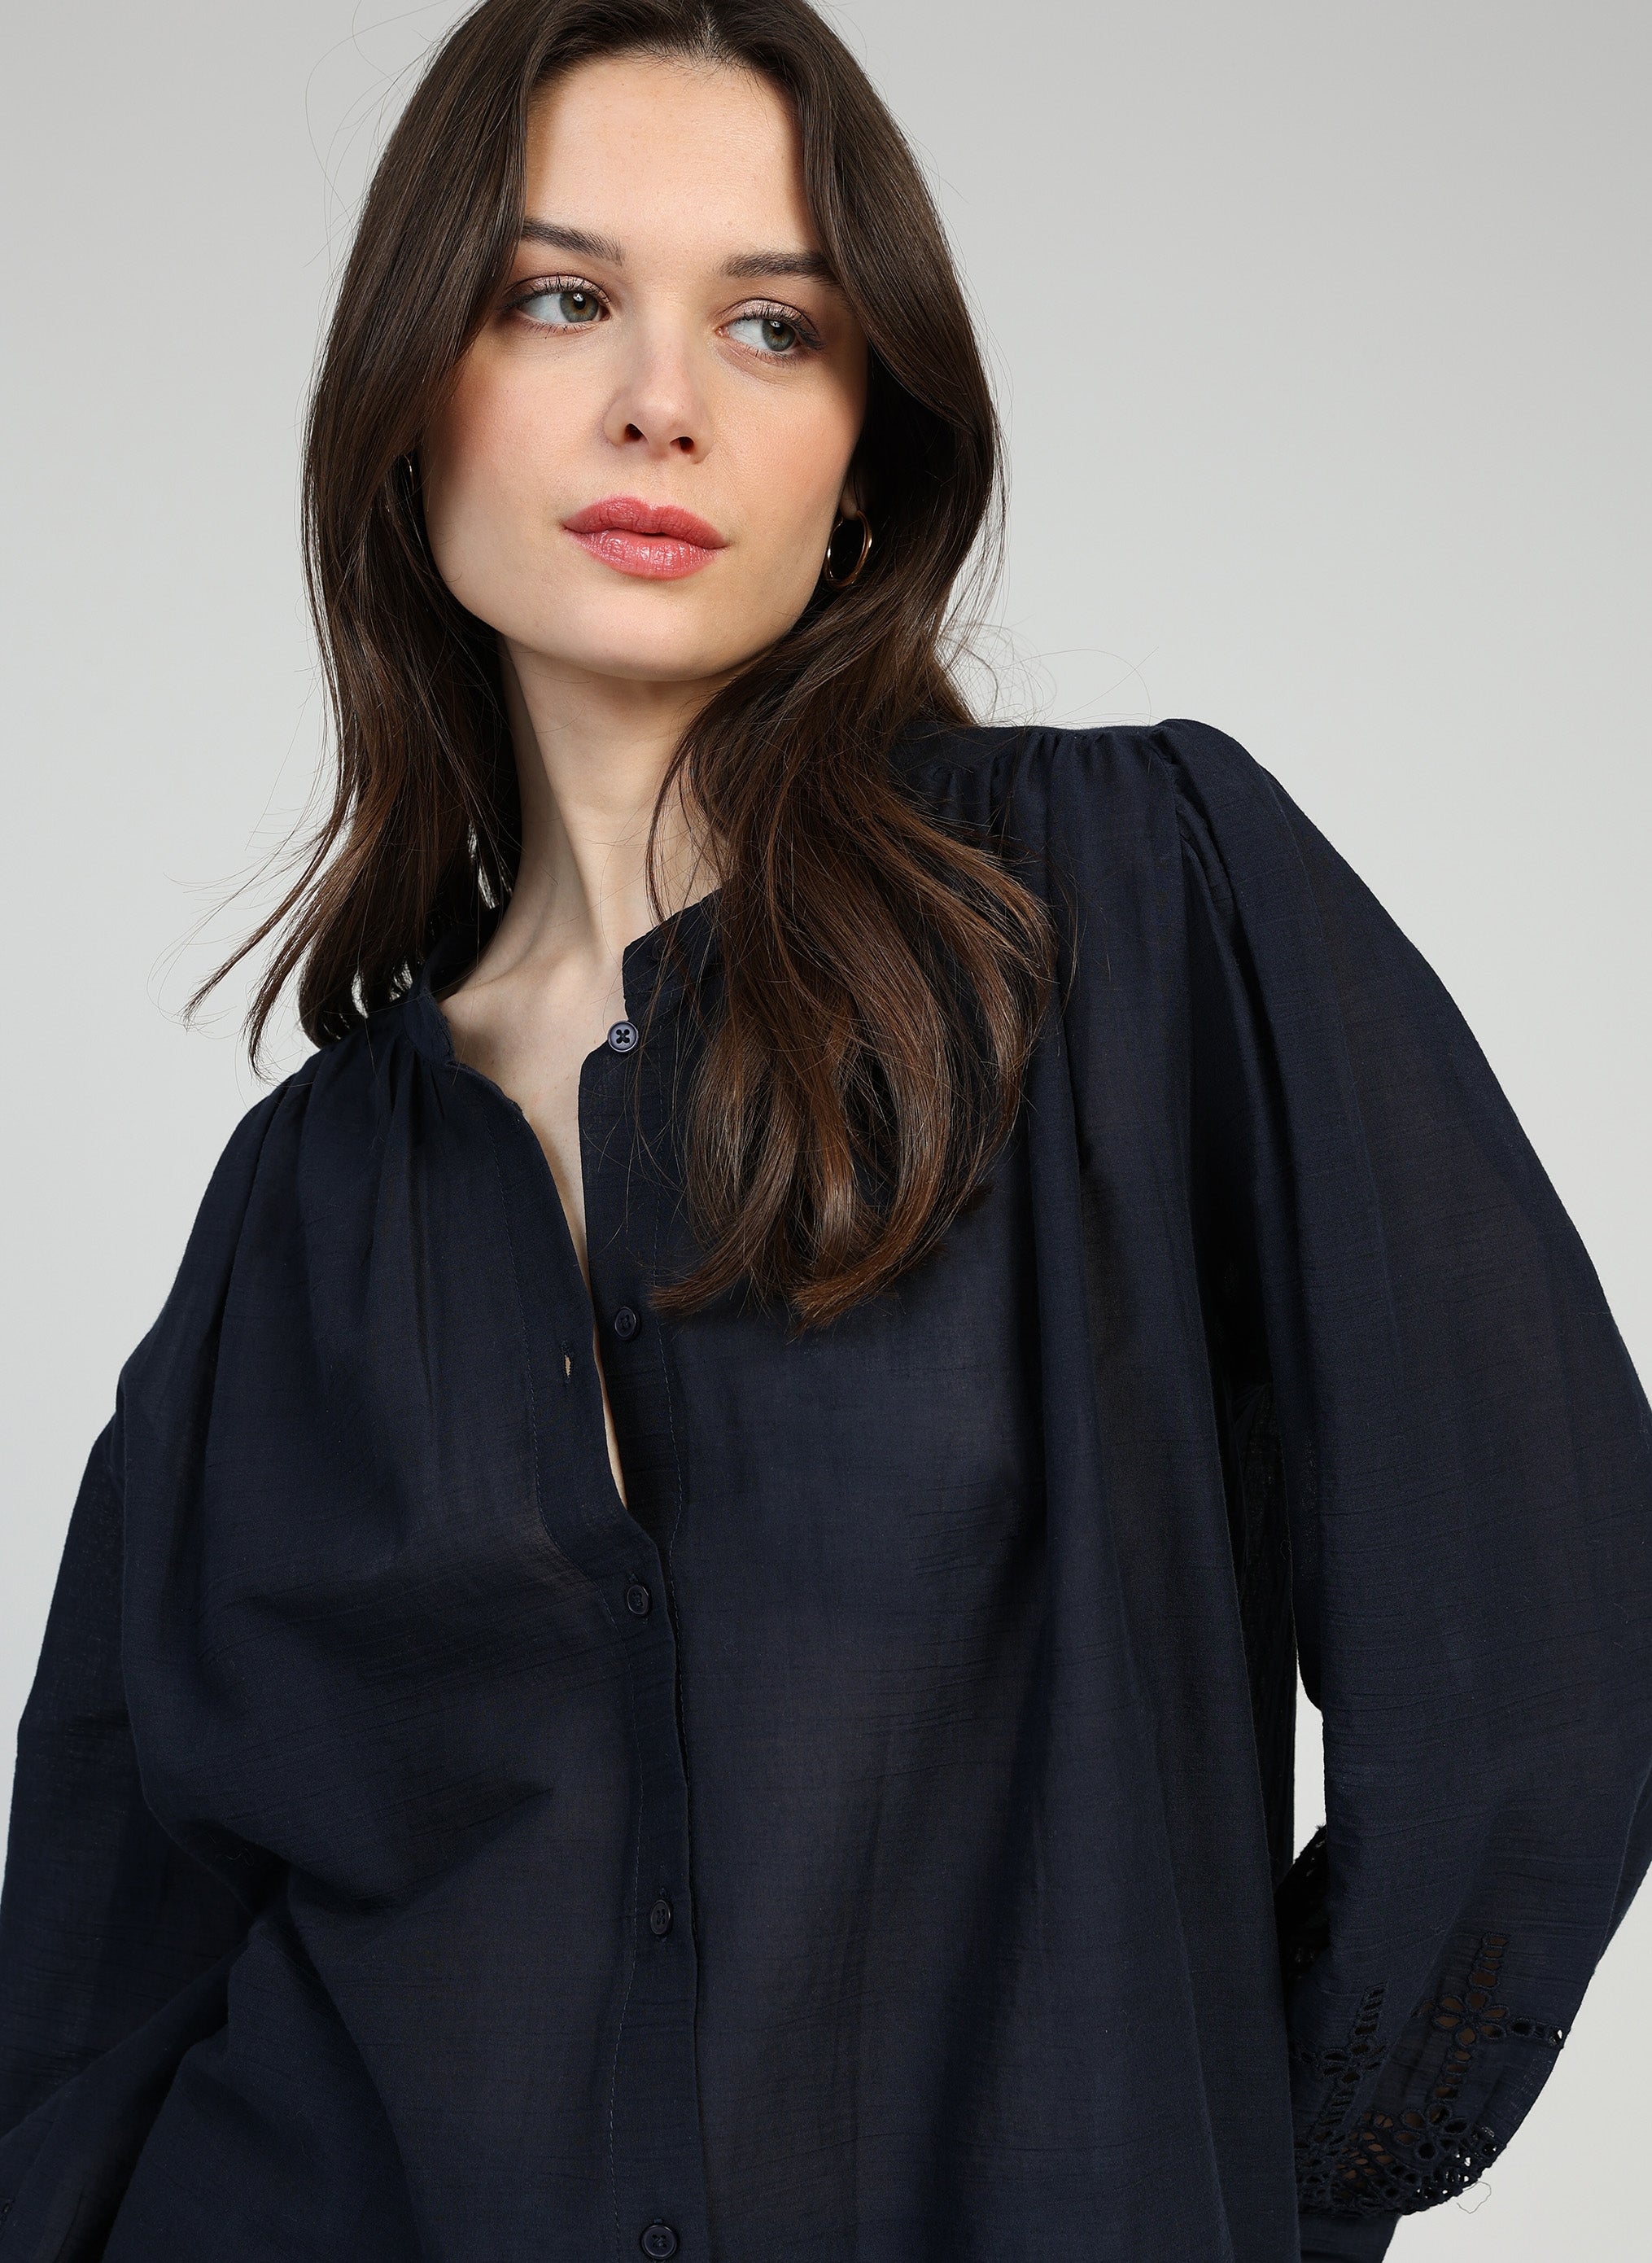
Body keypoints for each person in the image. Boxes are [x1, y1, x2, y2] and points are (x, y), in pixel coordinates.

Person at [1, 0, 1648, 2256]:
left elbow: (1541, 1682)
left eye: (773, 325)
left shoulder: (1124, 910)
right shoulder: (294, 1217)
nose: (660, 399)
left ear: (867, 453)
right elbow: (98, 1997)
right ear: (411, 400)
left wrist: (1225, 2189)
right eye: (557, 297)